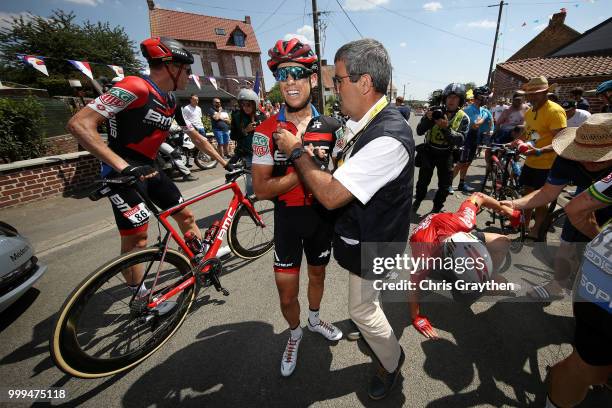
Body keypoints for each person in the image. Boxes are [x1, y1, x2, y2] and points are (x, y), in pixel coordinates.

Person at [273, 38, 414, 400]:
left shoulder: (388, 136)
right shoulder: (366, 122)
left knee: (362, 308)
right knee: (367, 298)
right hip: (368, 237)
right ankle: (373, 328)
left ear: (364, 82)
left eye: (338, 80)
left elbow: (332, 194)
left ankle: (392, 360)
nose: (334, 89)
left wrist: (296, 151)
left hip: (375, 242)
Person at [66, 36, 230, 295]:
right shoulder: (134, 86)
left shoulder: (170, 99)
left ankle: (200, 260)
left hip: (149, 168)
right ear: (171, 67)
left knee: (185, 216)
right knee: (137, 240)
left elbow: (194, 135)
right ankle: (140, 295)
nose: (189, 75)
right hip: (121, 173)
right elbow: (79, 124)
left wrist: (223, 162)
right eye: (187, 69)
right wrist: (123, 166)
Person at [251, 38, 343, 378]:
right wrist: (300, 160)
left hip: (322, 217)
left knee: (318, 276)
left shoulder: (335, 128)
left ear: (312, 79)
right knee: (286, 294)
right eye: (282, 75)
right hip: (287, 219)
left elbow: (345, 179)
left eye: (298, 73)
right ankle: (294, 333)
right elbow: (261, 190)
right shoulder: (265, 131)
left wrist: (316, 165)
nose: (290, 81)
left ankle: (315, 319)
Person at [501, 114, 612, 300]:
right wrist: (514, 204)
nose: (589, 162)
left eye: (597, 158)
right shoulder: (567, 158)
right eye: (583, 156)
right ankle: (557, 286)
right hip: (586, 193)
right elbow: (547, 193)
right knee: (567, 242)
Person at [408, 192, 520, 338]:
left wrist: (508, 210)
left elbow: (479, 196)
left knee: (503, 241)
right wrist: (416, 318)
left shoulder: (464, 222)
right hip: (434, 248)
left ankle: (486, 279)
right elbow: (413, 286)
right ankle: (466, 287)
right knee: (479, 291)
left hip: (451, 230)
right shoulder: (424, 256)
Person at [545, 172, 611, 408]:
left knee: (585, 364)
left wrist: (597, 236)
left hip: (601, 272)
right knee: (589, 367)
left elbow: (576, 208)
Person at [516, 76, 567, 240]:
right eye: (529, 94)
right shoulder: (530, 112)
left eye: (536, 93)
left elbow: (561, 141)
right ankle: (524, 223)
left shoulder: (555, 111)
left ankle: (537, 229)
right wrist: (516, 142)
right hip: (531, 162)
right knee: (527, 195)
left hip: (547, 165)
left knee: (541, 200)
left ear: (545, 92)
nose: (531, 97)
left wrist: (538, 151)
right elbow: (531, 133)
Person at [413, 83, 469, 213]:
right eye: (449, 97)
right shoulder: (434, 111)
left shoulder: (463, 118)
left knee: (444, 186)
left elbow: (460, 141)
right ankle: (418, 199)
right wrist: (428, 119)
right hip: (429, 151)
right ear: (445, 98)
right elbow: (419, 131)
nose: (452, 100)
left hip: (447, 154)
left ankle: (437, 207)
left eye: (455, 98)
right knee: (422, 182)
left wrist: (446, 129)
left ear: (460, 100)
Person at [452, 85, 491, 193]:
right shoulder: (470, 109)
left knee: (467, 163)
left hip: (475, 139)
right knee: (461, 163)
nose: (487, 99)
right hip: (466, 139)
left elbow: (485, 126)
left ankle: (461, 184)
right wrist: (484, 117)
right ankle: (448, 184)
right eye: (486, 97)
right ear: (480, 97)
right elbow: (475, 125)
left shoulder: (481, 109)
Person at [230, 88, 265, 196]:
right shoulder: (237, 117)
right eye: (243, 105)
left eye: (248, 105)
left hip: (263, 152)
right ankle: (248, 202)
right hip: (247, 153)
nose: (245, 107)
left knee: (266, 176)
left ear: (254, 104)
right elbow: (233, 136)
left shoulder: (261, 115)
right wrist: (245, 131)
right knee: (250, 180)